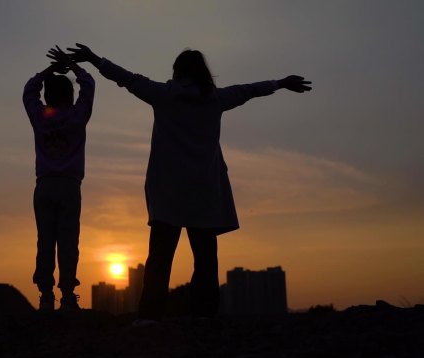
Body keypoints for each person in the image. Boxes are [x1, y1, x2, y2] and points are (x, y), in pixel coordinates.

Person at [66, 43, 311, 322]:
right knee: (205, 258)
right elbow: (248, 90)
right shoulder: (216, 99)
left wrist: (93, 59)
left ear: (177, 71)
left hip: (167, 190)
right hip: (204, 191)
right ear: (203, 73)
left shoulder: (163, 95)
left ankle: (150, 316)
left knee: (159, 257)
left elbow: (126, 78)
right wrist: (280, 83)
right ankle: (204, 315)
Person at [22, 47, 95, 311]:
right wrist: (73, 66)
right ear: (70, 95)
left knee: (45, 240)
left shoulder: (40, 118)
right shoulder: (77, 117)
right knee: (68, 241)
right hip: (69, 186)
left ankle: (45, 295)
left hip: (44, 185)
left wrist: (48, 71)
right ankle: (66, 294)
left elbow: (28, 91)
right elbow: (89, 84)